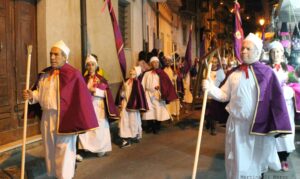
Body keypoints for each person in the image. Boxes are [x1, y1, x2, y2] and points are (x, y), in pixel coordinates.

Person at [202, 33, 292, 179]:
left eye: (248, 49)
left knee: (256, 161)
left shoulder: (267, 73)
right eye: (242, 48)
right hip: (237, 127)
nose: (243, 51)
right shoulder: (234, 73)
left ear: (257, 51)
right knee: (237, 161)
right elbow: (224, 95)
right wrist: (210, 88)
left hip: (257, 128)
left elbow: (275, 101)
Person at [23, 40, 99, 179]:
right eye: (51, 54)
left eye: (56, 55)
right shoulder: (45, 74)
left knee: (64, 153)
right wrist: (31, 96)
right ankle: (53, 176)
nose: (52, 57)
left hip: (64, 118)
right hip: (47, 117)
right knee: (49, 151)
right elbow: (40, 94)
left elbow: (82, 99)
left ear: (65, 57)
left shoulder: (73, 75)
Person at [77, 55, 119, 158]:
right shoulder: (83, 79)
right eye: (88, 65)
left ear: (96, 66)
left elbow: (106, 93)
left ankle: (100, 148)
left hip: (98, 105)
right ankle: (85, 148)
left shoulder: (101, 79)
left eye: (92, 65)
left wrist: (95, 91)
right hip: (87, 106)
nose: (90, 67)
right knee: (87, 128)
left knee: (99, 128)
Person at [269, 41, 296, 171]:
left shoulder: (289, 69)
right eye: (273, 52)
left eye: (278, 51)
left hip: (287, 105)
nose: (276, 54)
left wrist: (288, 89)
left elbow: (296, 85)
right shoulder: (267, 68)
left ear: (282, 52)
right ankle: (274, 157)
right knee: (275, 131)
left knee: (287, 132)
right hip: (273, 105)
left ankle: (284, 158)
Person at [141, 56, 177, 134]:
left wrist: (162, 89)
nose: (156, 64)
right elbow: (143, 84)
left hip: (158, 95)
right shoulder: (147, 74)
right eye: (154, 62)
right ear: (151, 64)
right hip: (148, 95)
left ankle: (157, 126)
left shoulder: (162, 73)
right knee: (149, 111)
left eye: (157, 62)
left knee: (158, 111)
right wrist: (142, 94)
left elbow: (167, 83)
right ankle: (151, 126)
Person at [117, 66, 148, 148]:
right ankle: (125, 139)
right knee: (124, 121)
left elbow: (139, 96)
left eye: (133, 71)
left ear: (137, 73)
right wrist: (123, 90)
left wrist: (136, 104)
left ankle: (134, 135)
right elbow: (122, 95)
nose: (131, 72)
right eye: (130, 71)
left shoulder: (137, 83)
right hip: (125, 106)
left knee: (133, 121)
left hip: (133, 107)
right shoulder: (126, 82)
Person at [205, 56, 225, 135]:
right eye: (212, 62)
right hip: (207, 94)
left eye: (215, 62)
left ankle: (213, 128)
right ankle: (208, 121)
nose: (213, 64)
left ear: (217, 63)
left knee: (213, 112)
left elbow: (223, 81)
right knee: (208, 111)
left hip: (215, 94)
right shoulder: (207, 70)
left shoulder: (220, 72)